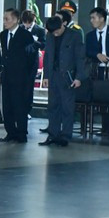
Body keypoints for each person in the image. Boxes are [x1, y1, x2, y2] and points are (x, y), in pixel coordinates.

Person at [39, 15, 86, 147]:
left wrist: (78, 77)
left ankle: (65, 136)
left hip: (68, 77)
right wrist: (46, 76)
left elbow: (80, 58)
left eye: (57, 31)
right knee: (52, 106)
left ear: (62, 25)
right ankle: (52, 135)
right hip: (53, 75)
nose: (55, 34)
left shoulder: (75, 35)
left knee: (67, 107)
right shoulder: (50, 36)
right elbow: (47, 55)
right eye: (52, 32)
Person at [0, 8, 38, 143]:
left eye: (7, 19)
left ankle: (21, 133)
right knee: (7, 105)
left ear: (16, 20)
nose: (5, 22)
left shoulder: (25, 35)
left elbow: (31, 57)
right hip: (7, 75)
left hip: (21, 77)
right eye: (4, 19)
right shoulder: (3, 35)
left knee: (19, 105)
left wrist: (26, 75)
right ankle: (11, 132)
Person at [85, 7, 109, 135]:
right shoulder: (90, 35)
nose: (91, 21)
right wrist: (97, 55)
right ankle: (104, 129)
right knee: (101, 99)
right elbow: (87, 51)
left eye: (94, 18)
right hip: (98, 72)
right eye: (91, 18)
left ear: (102, 19)